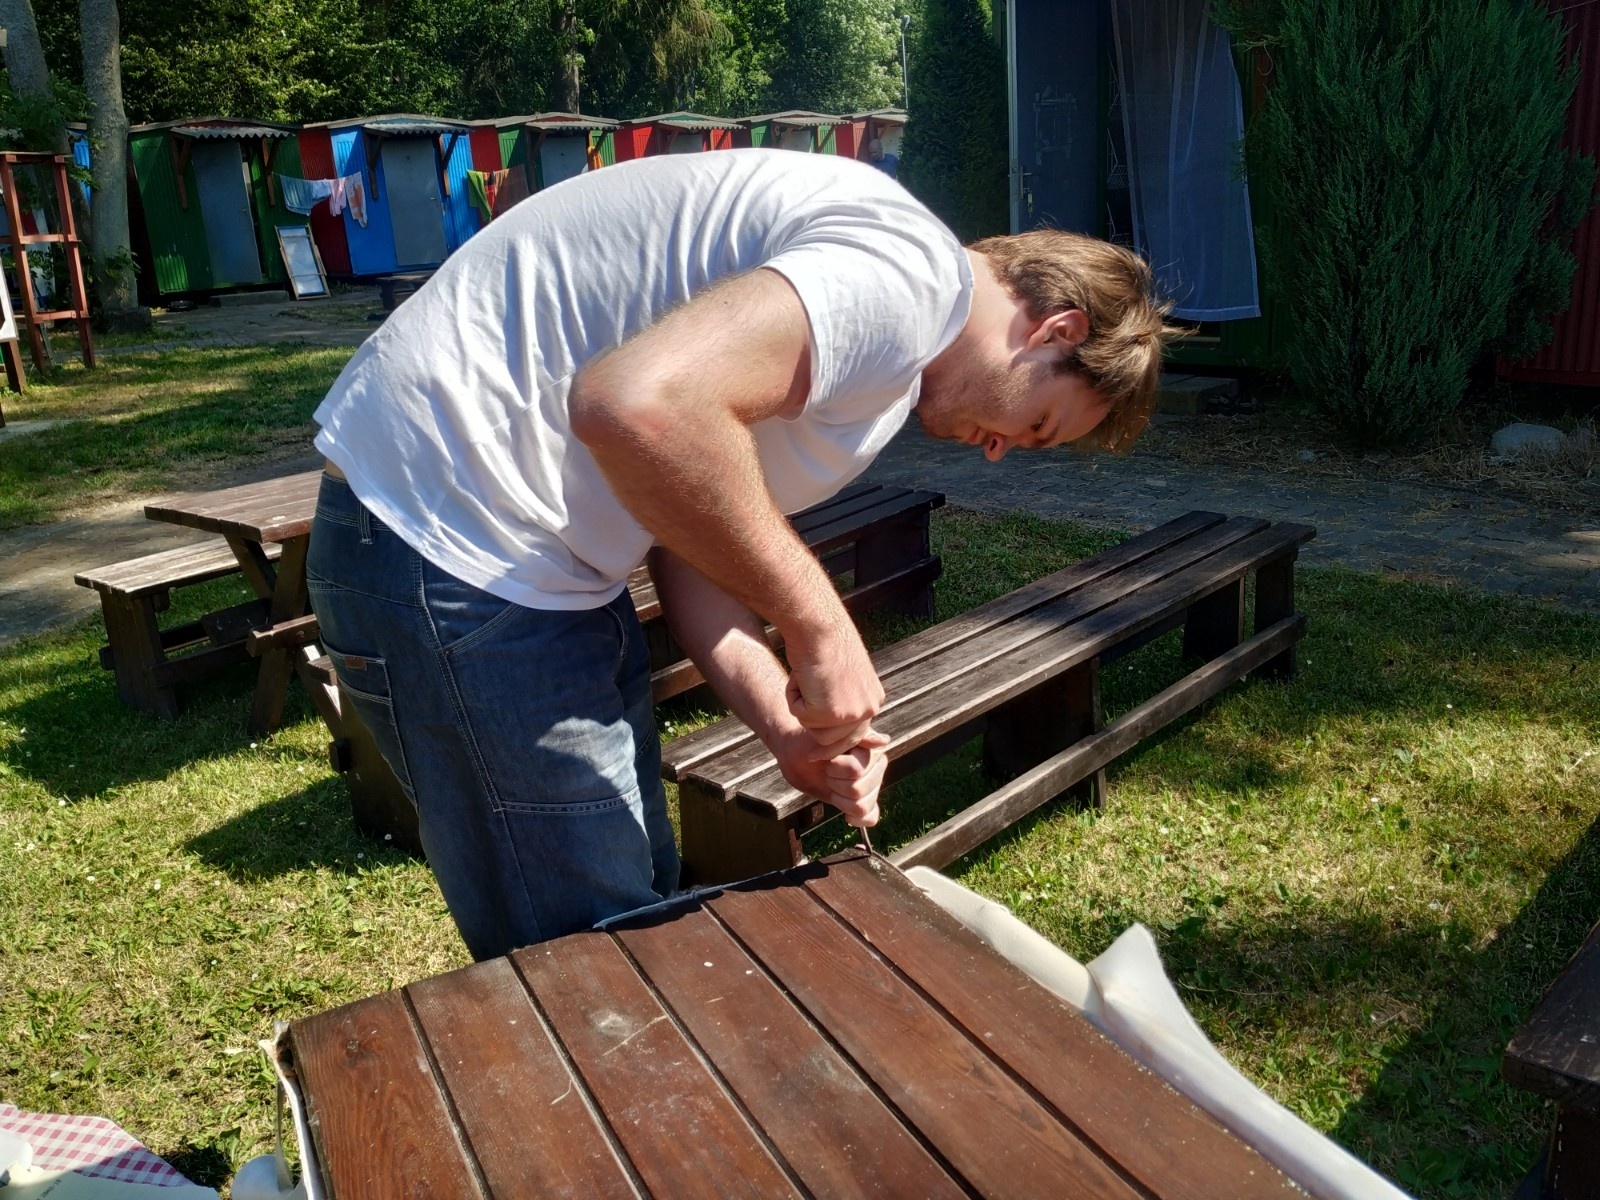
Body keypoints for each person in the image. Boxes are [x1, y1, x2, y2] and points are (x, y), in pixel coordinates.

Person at [307, 147, 1173, 961]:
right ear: (1054, 330)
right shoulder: (907, 279)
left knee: (633, 910)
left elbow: (691, 544)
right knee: (592, 971)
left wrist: (786, 730)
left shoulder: (888, 358)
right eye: (1036, 426)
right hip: (454, 546)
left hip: (524, 567)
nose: (1000, 450)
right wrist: (821, 625)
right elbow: (634, 404)